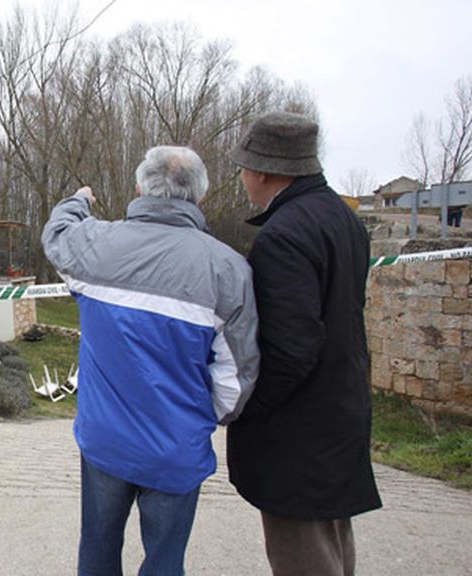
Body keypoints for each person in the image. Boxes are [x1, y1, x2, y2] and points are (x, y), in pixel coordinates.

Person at [42, 146, 260, 576]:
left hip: (105, 440)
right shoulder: (228, 269)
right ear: (198, 196)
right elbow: (235, 378)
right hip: (176, 447)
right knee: (165, 563)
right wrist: (200, 417)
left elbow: (56, 232)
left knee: (98, 553)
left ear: (140, 187)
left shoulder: (95, 244)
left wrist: (79, 200)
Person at [226, 111, 382, 576]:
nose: (243, 177)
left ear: (264, 170)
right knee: (333, 544)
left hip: (299, 433)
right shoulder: (342, 219)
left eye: (244, 167)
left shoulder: (284, 235)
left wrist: (247, 404)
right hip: (339, 412)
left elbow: (292, 347)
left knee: (304, 555)